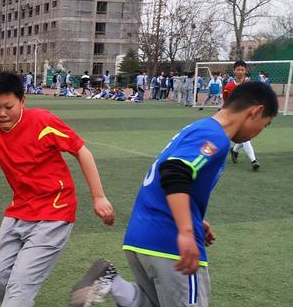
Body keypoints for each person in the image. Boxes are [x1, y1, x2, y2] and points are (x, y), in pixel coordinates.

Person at [69, 81, 278, 307]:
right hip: (169, 242)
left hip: (140, 237)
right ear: (255, 111)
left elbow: (169, 175)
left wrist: (194, 217)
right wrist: (186, 230)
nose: (257, 134)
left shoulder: (199, 128)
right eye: (265, 125)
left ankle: (112, 282)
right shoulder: (215, 137)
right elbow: (174, 172)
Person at [0, 71, 115, 307]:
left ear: (23, 100)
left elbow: (81, 151)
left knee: (20, 286)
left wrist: (99, 197)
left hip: (55, 212)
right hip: (19, 210)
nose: (2, 113)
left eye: (8, 106)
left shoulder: (43, 121)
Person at [225, 60, 260, 171]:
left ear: (245, 71)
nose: (240, 72)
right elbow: (226, 103)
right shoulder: (228, 87)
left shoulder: (250, 85)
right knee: (246, 138)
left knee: (245, 137)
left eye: (242, 70)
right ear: (234, 71)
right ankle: (253, 161)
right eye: (238, 69)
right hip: (235, 116)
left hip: (249, 115)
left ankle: (234, 150)